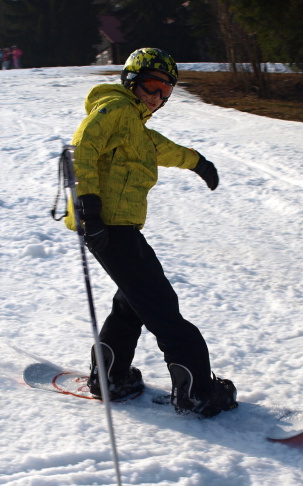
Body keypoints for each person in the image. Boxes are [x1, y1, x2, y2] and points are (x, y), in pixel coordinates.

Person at [65, 47, 237, 418]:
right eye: (152, 85)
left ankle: (111, 376)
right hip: (107, 225)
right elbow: (82, 148)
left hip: (118, 227)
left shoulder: (135, 127)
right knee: (160, 305)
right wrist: (88, 207)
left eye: (166, 90)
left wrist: (198, 163)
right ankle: (197, 392)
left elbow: (164, 149)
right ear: (132, 81)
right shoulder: (116, 109)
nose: (157, 96)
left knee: (133, 300)